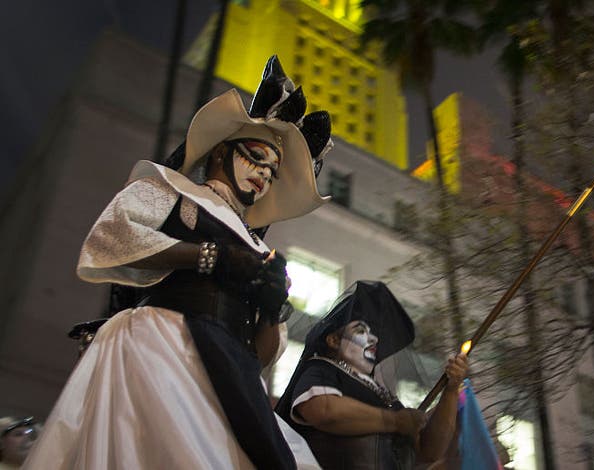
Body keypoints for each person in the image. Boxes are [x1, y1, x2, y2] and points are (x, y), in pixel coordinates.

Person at [24, 56, 331, 470]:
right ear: (222, 151)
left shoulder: (257, 248)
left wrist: (272, 307)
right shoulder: (172, 191)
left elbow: (258, 355)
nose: (263, 174)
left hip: (232, 377)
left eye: (272, 172)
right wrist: (211, 258)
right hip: (161, 351)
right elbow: (116, 236)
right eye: (256, 157)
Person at [276, 281, 469, 469]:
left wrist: (451, 390)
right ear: (334, 340)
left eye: (374, 332)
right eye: (360, 329)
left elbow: (430, 451)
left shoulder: (384, 396)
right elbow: (323, 410)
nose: (374, 338)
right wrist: (395, 421)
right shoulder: (321, 369)